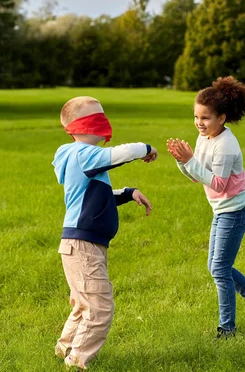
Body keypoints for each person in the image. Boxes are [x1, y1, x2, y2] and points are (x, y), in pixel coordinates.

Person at [167, 76, 245, 339]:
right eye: (196, 117)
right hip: (222, 210)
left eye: (205, 118)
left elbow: (218, 184)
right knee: (218, 267)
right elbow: (197, 176)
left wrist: (190, 160)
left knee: (219, 268)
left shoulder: (227, 144)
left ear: (222, 118)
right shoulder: (204, 138)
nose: (199, 123)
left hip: (236, 210)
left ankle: (227, 328)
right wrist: (182, 162)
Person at [52, 96, 158, 369]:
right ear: (77, 127)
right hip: (83, 244)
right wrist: (145, 148)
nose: (104, 121)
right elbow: (119, 154)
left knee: (83, 304)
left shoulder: (81, 159)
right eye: (95, 117)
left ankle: (64, 348)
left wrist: (128, 193)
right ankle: (76, 361)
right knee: (100, 308)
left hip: (81, 243)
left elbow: (97, 194)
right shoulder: (83, 154)